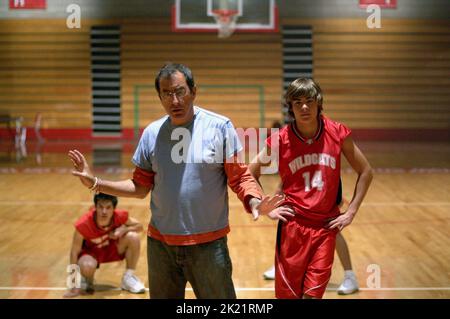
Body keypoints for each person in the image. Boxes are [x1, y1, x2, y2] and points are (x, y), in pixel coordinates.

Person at [68, 63, 281, 299]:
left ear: (193, 91)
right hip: (161, 246)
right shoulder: (152, 133)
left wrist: (254, 201)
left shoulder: (219, 127)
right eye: (167, 93)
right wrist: (95, 182)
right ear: (159, 97)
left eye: (180, 91)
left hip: (208, 246)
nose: (175, 100)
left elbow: (240, 176)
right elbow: (139, 187)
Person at [249, 78, 373, 299]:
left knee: (312, 295)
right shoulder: (281, 140)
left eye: (309, 101)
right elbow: (251, 172)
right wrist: (266, 207)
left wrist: (351, 212)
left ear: (318, 103)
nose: (304, 107)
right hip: (293, 228)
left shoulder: (337, 133)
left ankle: (349, 274)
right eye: (297, 103)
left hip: (325, 228)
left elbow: (366, 172)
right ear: (291, 107)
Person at [64, 193, 146, 298]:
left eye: (108, 208)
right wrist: (73, 284)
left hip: (111, 250)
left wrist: (124, 229)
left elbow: (139, 226)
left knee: (133, 237)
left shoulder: (119, 216)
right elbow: (74, 252)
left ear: (114, 209)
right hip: (91, 253)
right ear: (95, 207)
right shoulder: (83, 224)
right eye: (100, 207)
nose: (104, 211)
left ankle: (128, 277)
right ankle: (87, 279)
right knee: (87, 266)